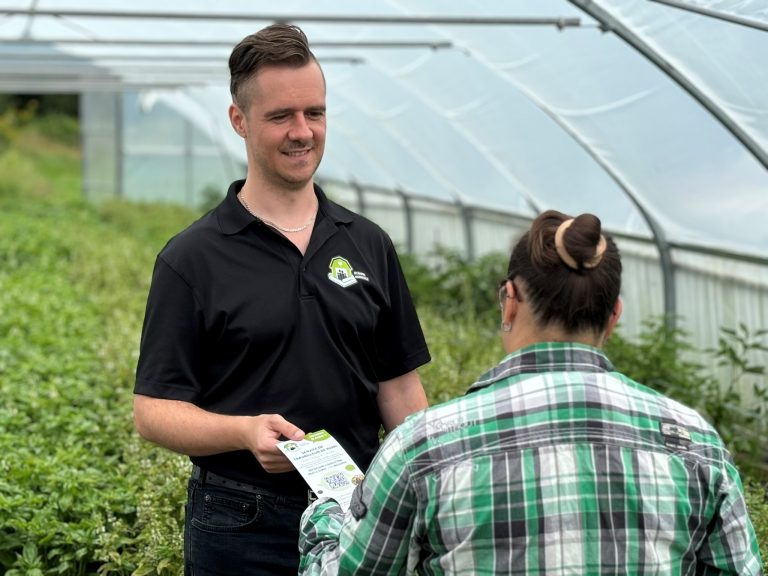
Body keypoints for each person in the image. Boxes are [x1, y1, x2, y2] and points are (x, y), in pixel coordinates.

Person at [298, 210, 763, 575]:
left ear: (510, 300)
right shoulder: (696, 444)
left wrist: (326, 518)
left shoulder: (424, 447)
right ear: (614, 316)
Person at [132, 23, 431, 576]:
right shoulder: (192, 258)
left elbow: (399, 387)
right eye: (281, 117)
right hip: (239, 519)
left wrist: (432, 485)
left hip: (358, 511)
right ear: (239, 121)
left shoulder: (366, 243)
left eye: (314, 113)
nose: (303, 132)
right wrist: (242, 432)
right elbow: (153, 411)